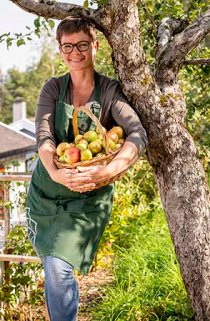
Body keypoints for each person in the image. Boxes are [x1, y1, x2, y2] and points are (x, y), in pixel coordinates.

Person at [26, 16, 148, 321]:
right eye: (67, 46)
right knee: (55, 267)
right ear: (60, 50)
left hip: (88, 194)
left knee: (59, 268)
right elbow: (43, 136)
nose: (75, 52)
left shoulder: (108, 91)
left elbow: (136, 133)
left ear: (94, 45)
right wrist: (55, 171)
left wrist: (109, 171)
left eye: (82, 44)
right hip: (48, 192)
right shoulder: (52, 89)